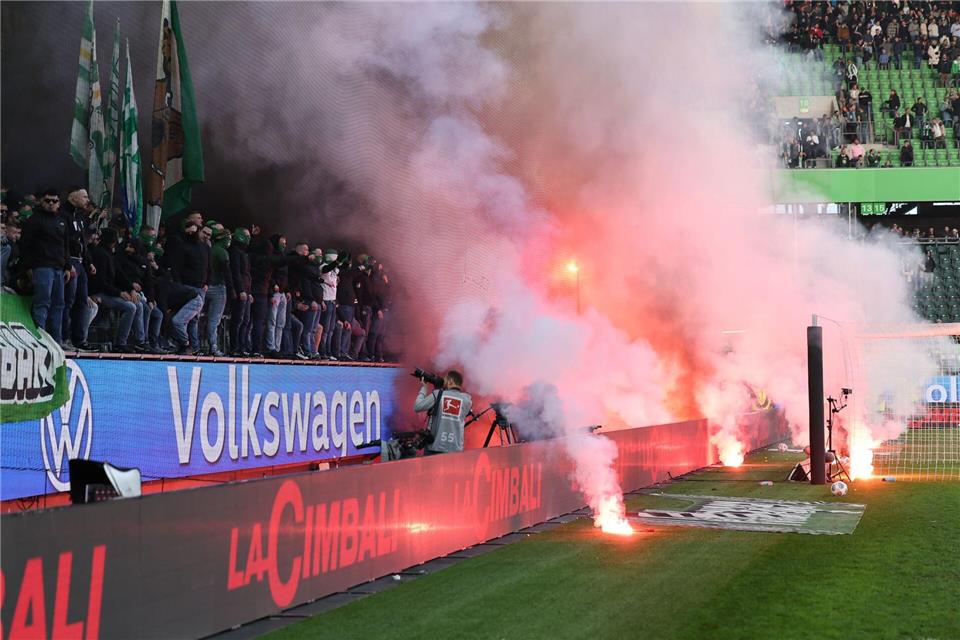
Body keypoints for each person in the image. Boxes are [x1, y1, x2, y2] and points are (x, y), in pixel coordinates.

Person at [20, 188, 70, 344]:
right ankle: (40, 339)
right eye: (47, 200)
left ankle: (56, 341)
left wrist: (67, 266)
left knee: (59, 305)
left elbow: (66, 245)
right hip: (42, 267)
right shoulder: (34, 221)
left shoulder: (62, 220)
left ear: (59, 203)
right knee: (42, 302)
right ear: (41, 201)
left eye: (54, 201)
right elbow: (25, 246)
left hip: (58, 268)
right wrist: (28, 268)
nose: (50, 204)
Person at [413, 370, 473, 455]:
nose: (443, 382)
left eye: (445, 380)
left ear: (451, 381)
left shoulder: (438, 395)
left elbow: (417, 407)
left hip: (435, 448)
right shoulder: (467, 401)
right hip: (455, 449)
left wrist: (424, 389)